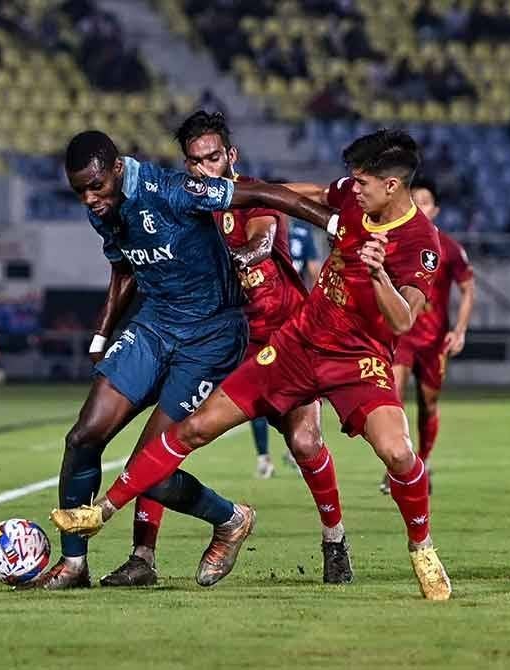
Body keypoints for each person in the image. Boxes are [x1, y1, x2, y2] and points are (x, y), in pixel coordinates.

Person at [52, 129, 453, 600]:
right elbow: (313, 194)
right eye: (194, 160)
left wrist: (378, 274)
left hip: (356, 357)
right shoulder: (343, 197)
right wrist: (306, 212)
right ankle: (115, 526)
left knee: (389, 452)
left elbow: (402, 319)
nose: (352, 188)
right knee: (190, 429)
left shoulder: (420, 243)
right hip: (294, 343)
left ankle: (410, 546)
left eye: (362, 182)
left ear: (391, 186)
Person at [29, 130, 339, 590]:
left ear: (117, 168)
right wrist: (102, 330)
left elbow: (264, 193)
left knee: (149, 469)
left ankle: (230, 519)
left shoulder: (173, 190)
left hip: (211, 335)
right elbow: (124, 266)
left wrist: (333, 223)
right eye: (80, 191)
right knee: (83, 435)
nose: (89, 199)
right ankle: (75, 564)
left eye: (95, 187)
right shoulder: (105, 209)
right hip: (155, 324)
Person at [381, 178, 475, 495]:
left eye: (426, 202)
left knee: (428, 404)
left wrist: (459, 330)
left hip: (433, 340)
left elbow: (467, 289)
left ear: (435, 209)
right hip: (402, 335)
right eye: (415, 200)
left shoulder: (449, 247)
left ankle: (424, 459)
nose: (420, 206)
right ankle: (396, 465)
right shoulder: (394, 240)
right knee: (392, 397)